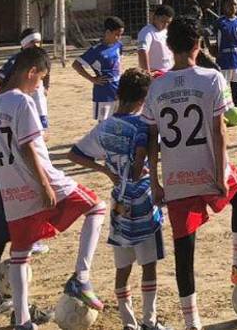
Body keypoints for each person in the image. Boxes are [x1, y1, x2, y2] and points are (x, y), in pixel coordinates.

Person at [0, 46, 109, 330]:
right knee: (96, 207)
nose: (39, 85)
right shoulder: (22, 101)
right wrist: (43, 184)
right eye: (41, 78)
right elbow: (27, 146)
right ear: (31, 72)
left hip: (11, 188)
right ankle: (81, 278)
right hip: (43, 179)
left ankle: (23, 321)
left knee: (20, 253)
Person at [143, 17, 237, 330]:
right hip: (208, 170)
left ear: (169, 46)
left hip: (176, 177)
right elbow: (219, 130)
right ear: (198, 45)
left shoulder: (156, 86)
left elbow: (151, 138)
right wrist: (220, 173)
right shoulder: (211, 78)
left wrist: (154, 182)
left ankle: (192, 322)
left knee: (184, 249)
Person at [68, 68, 169, 330]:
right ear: (144, 98)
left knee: (122, 267)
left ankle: (128, 322)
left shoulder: (105, 127)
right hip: (143, 200)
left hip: (119, 203)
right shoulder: (144, 126)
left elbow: (74, 154)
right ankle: (149, 321)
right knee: (148, 265)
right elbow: (139, 164)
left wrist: (106, 171)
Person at [0, 28, 51, 131]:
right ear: (24, 43)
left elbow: (47, 73)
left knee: (42, 128)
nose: (36, 45)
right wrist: (7, 94)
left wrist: (46, 88)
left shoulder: (42, 57)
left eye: (38, 42)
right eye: (32, 42)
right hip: (21, 99)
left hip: (37, 98)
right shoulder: (17, 59)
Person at [74, 16, 126, 121]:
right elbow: (76, 65)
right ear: (108, 32)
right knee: (103, 122)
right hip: (103, 91)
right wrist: (92, 79)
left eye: (121, 35)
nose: (119, 37)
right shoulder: (96, 51)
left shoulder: (119, 45)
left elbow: (118, 63)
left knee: (119, 120)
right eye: (117, 34)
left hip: (118, 89)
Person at [215, 0, 237, 107]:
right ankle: (224, 109)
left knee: (236, 86)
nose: (233, 7)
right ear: (224, 6)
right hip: (223, 61)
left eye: (235, 4)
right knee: (223, 88)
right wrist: (210, 47)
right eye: (230, 4)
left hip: (236, 61)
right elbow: (206, 34)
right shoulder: (220, 22)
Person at [138, 5, 176, 74]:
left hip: (169, 71)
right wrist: (147, 74)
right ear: (155, 18)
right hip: (156, 73)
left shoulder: (166, 31)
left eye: (168, 22)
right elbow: (142, 52)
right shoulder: (147, 32)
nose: (165, 24)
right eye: (163, 21)